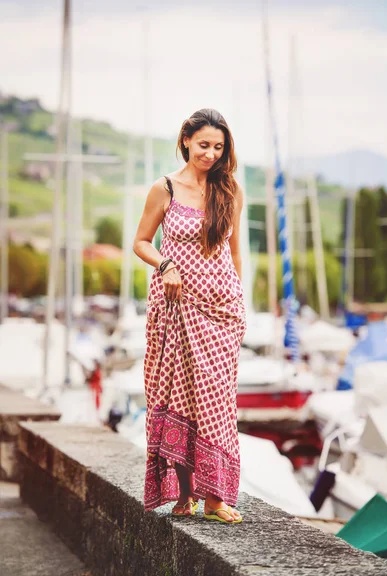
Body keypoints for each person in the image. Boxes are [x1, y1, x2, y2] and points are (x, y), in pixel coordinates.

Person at [133, 108, 246, 523]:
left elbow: (234, 255)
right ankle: (186, 493)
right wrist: (165, 265)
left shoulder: (229, 190)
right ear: (185, 141)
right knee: (179, 396)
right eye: (204, 145)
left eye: (218, 147)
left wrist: (238, 303)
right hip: (175, 309)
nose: (211, 154)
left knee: (216, 399)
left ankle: (215, 497)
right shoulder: (164, 188)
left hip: (220, 309)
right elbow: (141, 242)